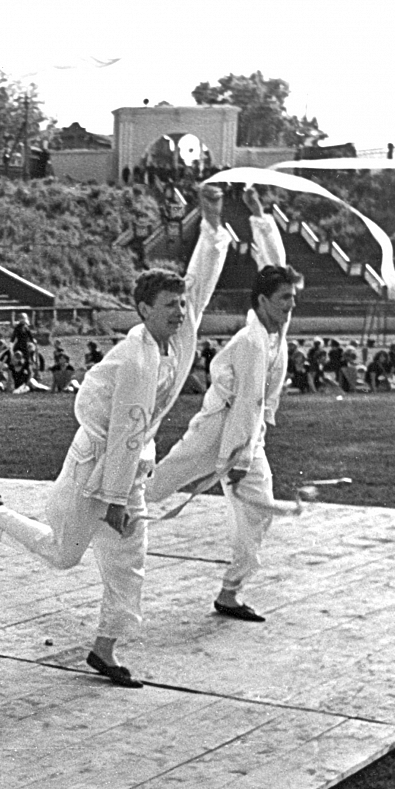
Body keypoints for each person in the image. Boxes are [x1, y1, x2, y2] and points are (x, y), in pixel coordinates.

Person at [0, 184, 232, 688]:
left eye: (181, 306)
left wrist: (211, 223)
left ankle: (104, 649)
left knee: (129, 564)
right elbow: (124, 430)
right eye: (169, 305)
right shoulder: (136, 358)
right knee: (63, 555)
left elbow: (200, 283)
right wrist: (115, 500)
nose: (180, 312)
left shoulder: (176, 337)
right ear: (143, 310)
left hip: (130, 469)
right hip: (93, 469)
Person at [146, 194, 298, 622]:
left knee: (258, 510)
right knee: (157, 487)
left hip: (248, 437)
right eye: (284, 299)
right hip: (221, 431)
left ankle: (230, 591)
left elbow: (275, 267)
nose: (291, 305)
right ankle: (103, 510)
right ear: (264, 302)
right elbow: (245, 404)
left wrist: (259, 216)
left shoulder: (274, 329)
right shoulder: (251, 341)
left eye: (292, 298)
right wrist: (237, 459)